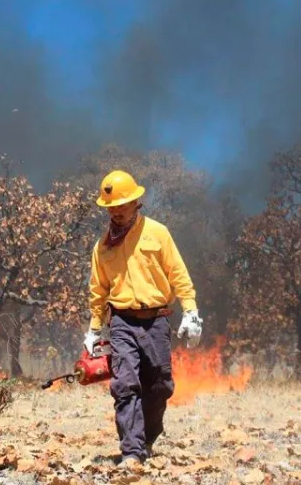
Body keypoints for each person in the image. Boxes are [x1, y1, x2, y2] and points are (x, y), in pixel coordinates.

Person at [84, 169, 202, 466]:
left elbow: (178, 273)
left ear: (136, 202)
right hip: (122, 321)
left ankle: (147, 437)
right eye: (111, 207)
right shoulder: (102, 247)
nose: (116, 212)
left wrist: (191, 310)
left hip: (157, 320)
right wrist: (94, 330)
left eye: (122, 205)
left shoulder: (157, 233)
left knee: (160, 385)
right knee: (125, 386)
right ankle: (132, 451)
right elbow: (98, 291)